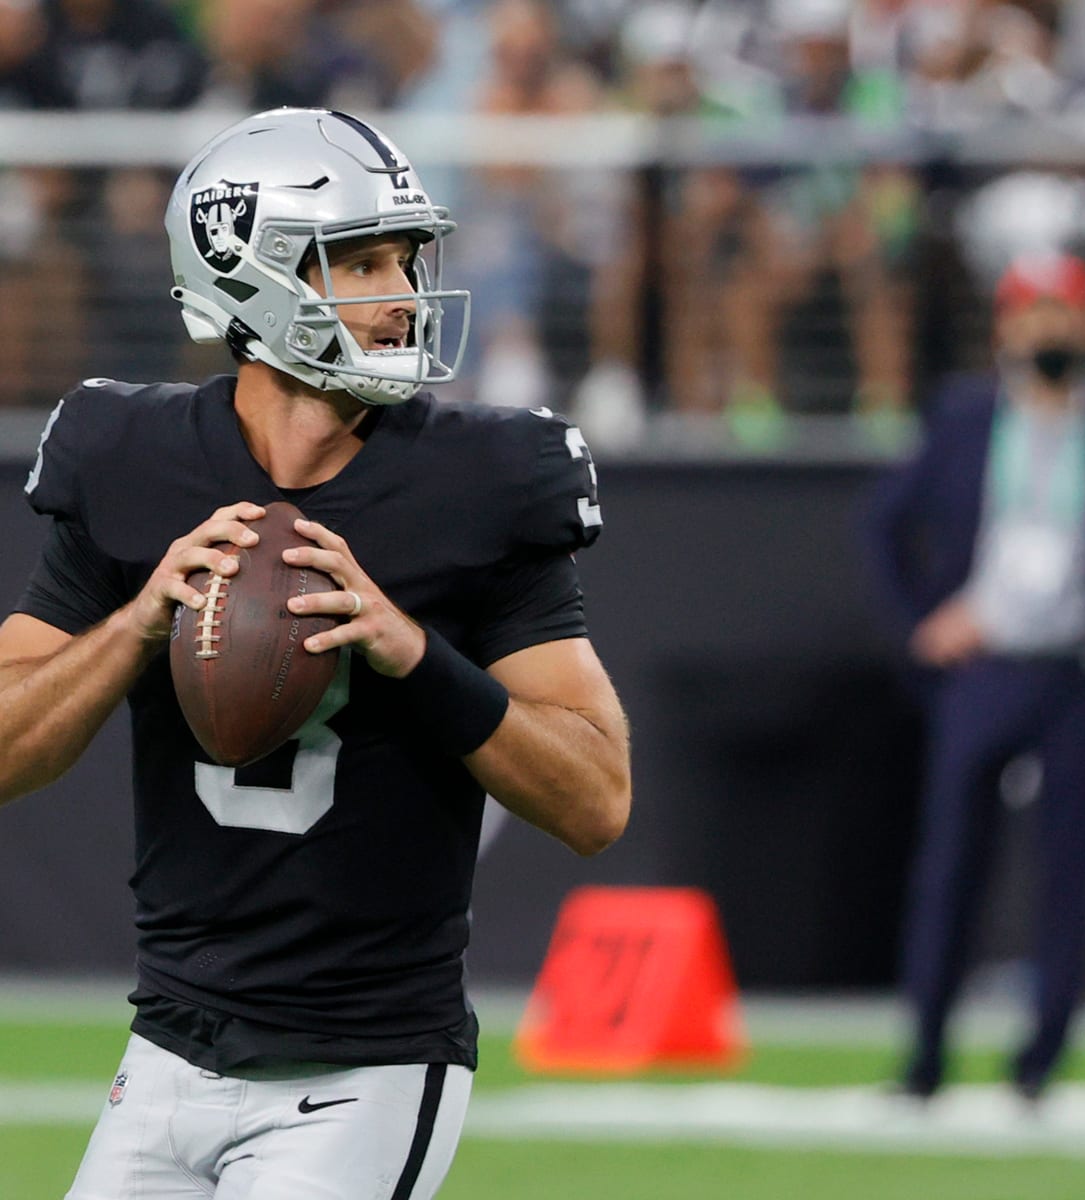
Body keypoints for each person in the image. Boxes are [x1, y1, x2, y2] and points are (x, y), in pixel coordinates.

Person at [0, 107, 631, 1199]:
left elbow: (596, 800)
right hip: (165, 1054)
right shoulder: (131, 457)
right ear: (249, 274)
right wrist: (140, 619)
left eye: (406, 257)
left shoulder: (485, 479)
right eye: (362, 262)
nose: (403, 295)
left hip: (367, 1066)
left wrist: (413, 653)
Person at [868, 251, 1085, 1101]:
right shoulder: (967, 418)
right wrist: (921, 626)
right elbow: (885, 525)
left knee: (1068, 871)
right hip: (986, 667)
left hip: (1078, 671)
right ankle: (926, 1052)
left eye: (1066, 311)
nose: (1050, 329)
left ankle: (1039, 1060)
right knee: (951, 867)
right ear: (1006, 326)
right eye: (1035, 311)